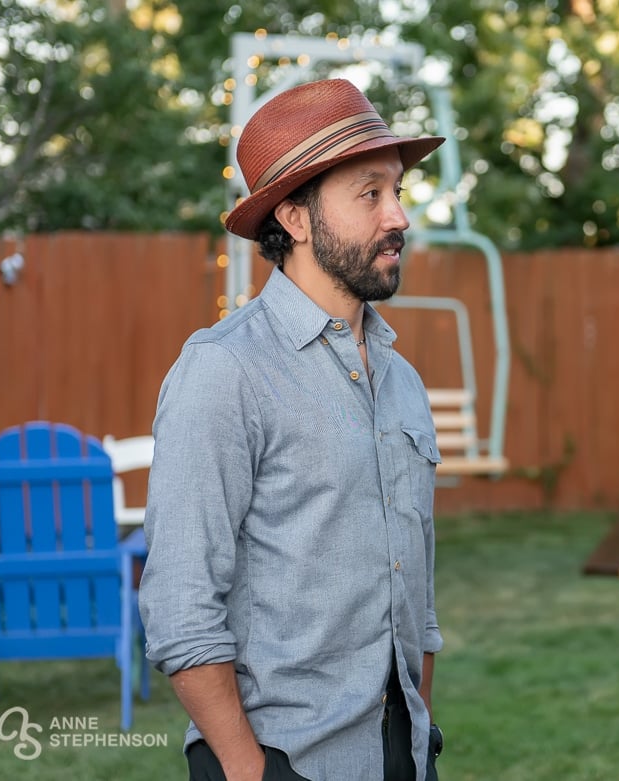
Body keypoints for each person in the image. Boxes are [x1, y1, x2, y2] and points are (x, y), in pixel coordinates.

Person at [139, 78, 447, 781]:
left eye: (398, 191)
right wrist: (252, 770)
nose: (398, 215)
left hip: (400, 753)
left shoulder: (401, 380)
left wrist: (420, 737)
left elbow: (417, 591)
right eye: (370, 194)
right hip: (282, 761)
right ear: (297, 218)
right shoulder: (223, 371)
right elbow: (180, 609)